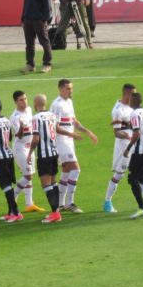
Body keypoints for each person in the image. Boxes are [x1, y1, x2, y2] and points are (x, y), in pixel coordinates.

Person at [50, 78, 97, 213]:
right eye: (68, 89)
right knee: (75, 170)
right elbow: (55, 127)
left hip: (68, 141)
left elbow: (73, 121)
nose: (71, 91)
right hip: (61, 142)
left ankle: (60, 204)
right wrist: (72, 135)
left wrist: (87, 132)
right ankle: (70, 203)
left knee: (65, 172)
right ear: (60, 89)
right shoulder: (57, 105)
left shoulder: (69, 102)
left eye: (72, 88)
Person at [27, 94, 63, 223]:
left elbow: (36, 138)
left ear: (35, 103)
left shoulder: (35, 118)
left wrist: (30, 152)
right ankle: (56, 211)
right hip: (54, 152)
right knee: (53, 182)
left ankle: (55, 214)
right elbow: (57, 129)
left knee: (46, 184)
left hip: (44, 155)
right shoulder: (52, 115)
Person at [104, 83, 137, 212]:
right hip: (123, 147)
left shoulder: (131, 107)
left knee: (140, 172)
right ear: (127, 94)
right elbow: (117, 132)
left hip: (134, 145)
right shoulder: (118, 110)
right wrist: (129, 138)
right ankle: (107, 202)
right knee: (119, 175)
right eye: (133, 94)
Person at [10, 90, 44, 212]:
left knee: (30, 175)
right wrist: (22, 127)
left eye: (25, 98)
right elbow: (18, 135)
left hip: (30, 147)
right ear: (15, 102)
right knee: (28, 175)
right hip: (20, 148)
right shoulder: (14, 117)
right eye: (21, 100)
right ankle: (12, 196)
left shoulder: (29, 110)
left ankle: (29, 204)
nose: (24, 101)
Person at [19, 0, 52, 74]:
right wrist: (23, 18)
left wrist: (45, 19)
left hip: (39, 20)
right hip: (28, 20)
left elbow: (47, 5)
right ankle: (30, 65)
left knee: (44, 42)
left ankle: (47, 64)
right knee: (29, 44)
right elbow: (25, 3)